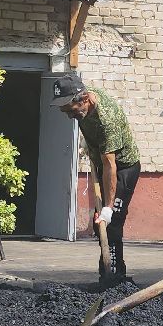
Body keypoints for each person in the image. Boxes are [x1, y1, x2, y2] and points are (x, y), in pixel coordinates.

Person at [53, 72, 142, 285]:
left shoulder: (106, 118)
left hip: (123, 168)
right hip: (103, 163)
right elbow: (103, 160)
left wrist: (108, 207)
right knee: (98, 224)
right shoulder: (85, 99)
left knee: (111, 221)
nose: (68, 116)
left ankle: (113, 275)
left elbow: (110, 165)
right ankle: (108, 270)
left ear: (83, 100)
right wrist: (90, 143)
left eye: (70, 110)